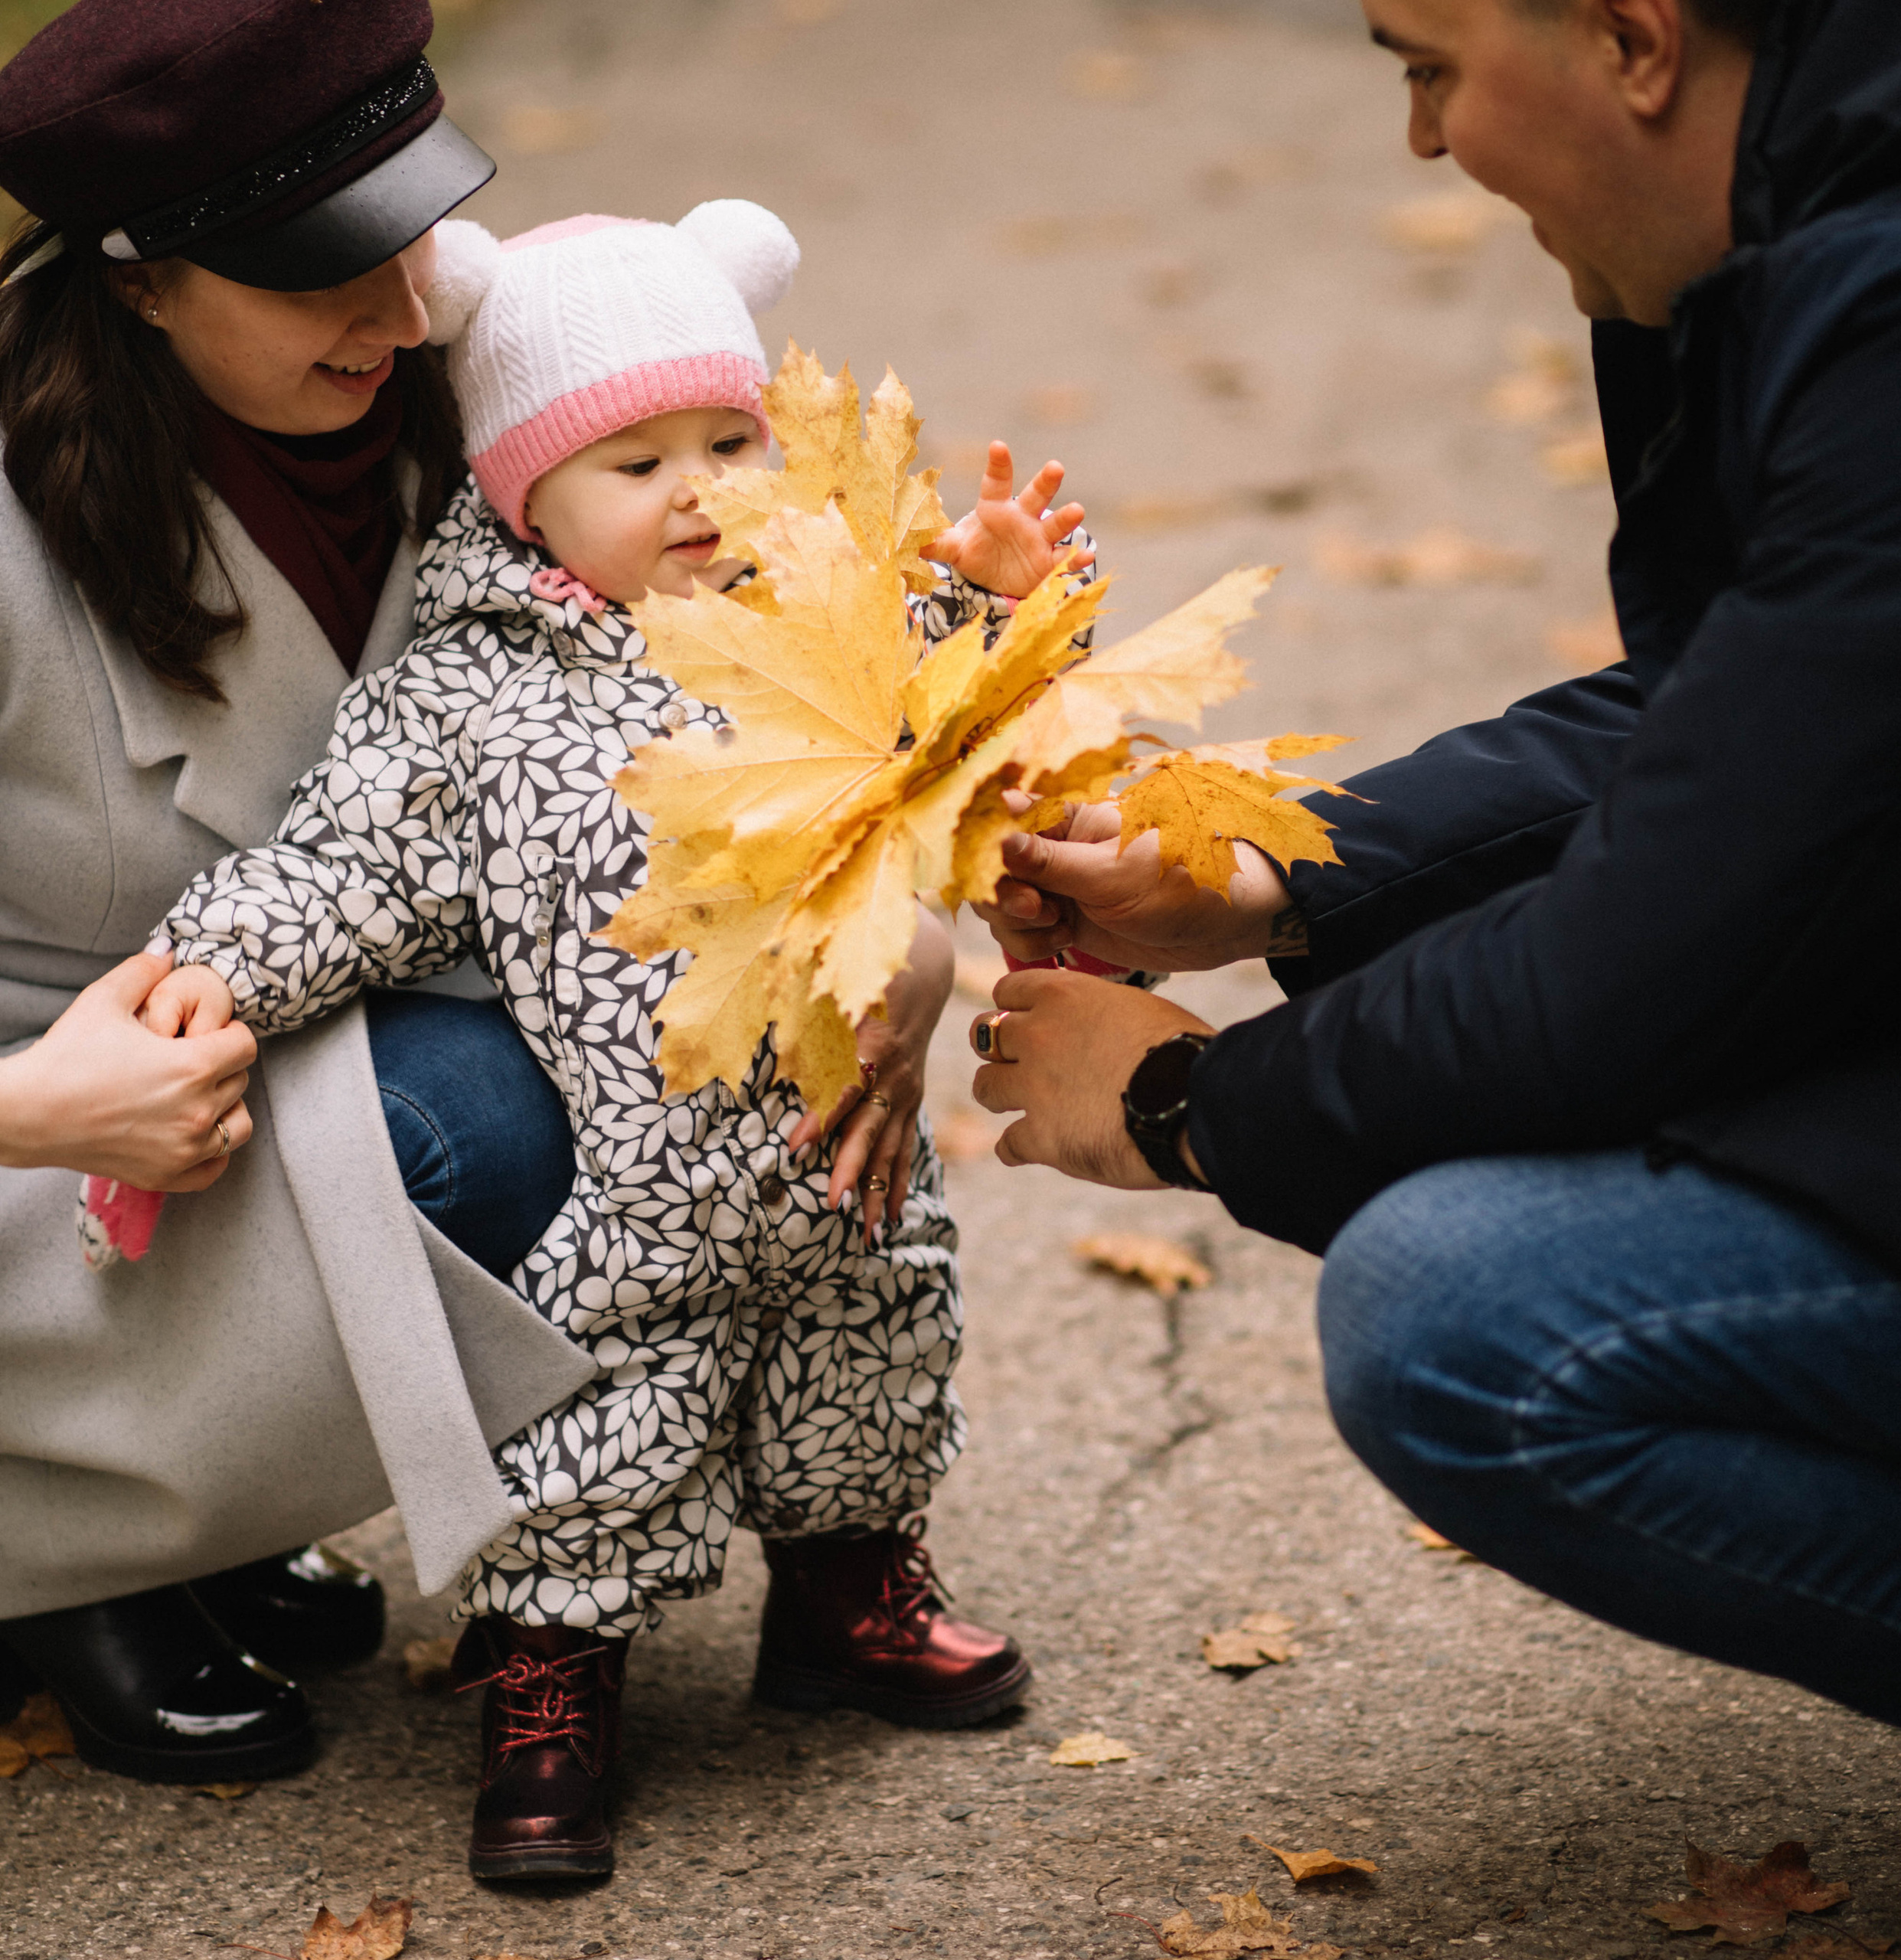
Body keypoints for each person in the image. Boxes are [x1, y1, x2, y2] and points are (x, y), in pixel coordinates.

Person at [968, 0, 1901, 1749]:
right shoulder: (1848, 205)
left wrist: (1187, 1102)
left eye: (1425, 66)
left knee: (1461, 1309)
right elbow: (1733, 697)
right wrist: (1273, 872)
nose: (1421, 142)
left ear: (1633, 40)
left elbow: (1639, 961)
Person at [143, 205, 1098, 1880]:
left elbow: (983, 744)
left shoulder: (839, 621)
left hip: (841, 1148)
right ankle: (553, 1680)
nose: (700, 489)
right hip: (632, 1184)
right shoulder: (468, 701)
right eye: (632, 458)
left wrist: (1015, 611)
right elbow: (341, 867)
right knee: (595, 1429)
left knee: (868, 1360)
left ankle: (844, 1592)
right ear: (524, 495)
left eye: (729, 439)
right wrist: (206, 971)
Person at [0, 0, 703, 1792]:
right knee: (464, 1119)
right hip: (47, 1159)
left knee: (581, 1062)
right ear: (141, 280)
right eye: (325, 272)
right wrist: (28, 1106)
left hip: (252, 1083)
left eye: (411, 230)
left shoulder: (462, 392)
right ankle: (61, 1545)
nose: (401, 313)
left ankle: (197, 1505)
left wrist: (902, 942)